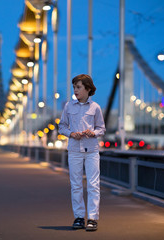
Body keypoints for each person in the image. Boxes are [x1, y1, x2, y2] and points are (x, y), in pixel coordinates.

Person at [58, 74, 106, 231]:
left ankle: (93, 218)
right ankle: (79, 217)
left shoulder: (95, 107)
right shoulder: (68, 107)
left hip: (91, 150)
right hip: (74, 150)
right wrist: (71, 134)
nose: (75, 90)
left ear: (88, 89)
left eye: (78, 87)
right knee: (76, 185)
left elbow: (102, 128)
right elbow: (62, 126)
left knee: (93, 185)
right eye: (74, 87)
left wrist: (93, 133)